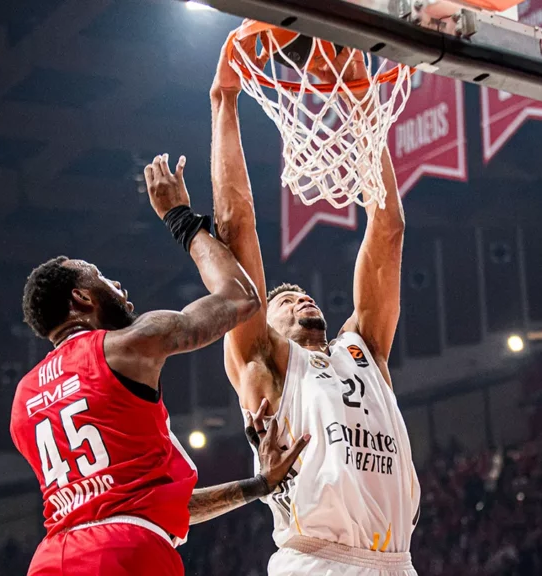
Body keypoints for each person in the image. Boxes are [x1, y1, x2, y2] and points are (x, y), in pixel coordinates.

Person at [11, 154, 310, 576]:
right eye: (102, 278)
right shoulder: (127, 345)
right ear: (82, 299)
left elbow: (147, 504)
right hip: (125, 552)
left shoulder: (23, 399)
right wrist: (178, 217)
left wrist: (258, 485)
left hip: (50, 558)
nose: (118, 286)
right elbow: (241, 297)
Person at [210, 39, 421, 576]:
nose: (298, 295)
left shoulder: (363, 350)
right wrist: (224, 103)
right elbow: (237, 229)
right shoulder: (266, 362)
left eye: (299, 293)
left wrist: (362, 105)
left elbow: (389, 231)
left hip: (397, 562)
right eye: (281, 300)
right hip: (319, 564)